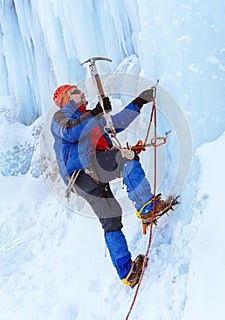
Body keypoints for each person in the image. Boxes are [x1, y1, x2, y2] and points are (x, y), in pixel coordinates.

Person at [50, 84, 170, 288]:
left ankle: (127, 272)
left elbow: (117, 123)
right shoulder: (60, 119)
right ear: (67, 98)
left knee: (111, 219)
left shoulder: (89, 119)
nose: (83, 94)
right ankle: (146, 206)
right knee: (124, 159)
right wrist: (95, 113)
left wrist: (139, 102)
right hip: (83, 170)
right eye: (77, 92)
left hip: (86, 180)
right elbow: (71, 132)